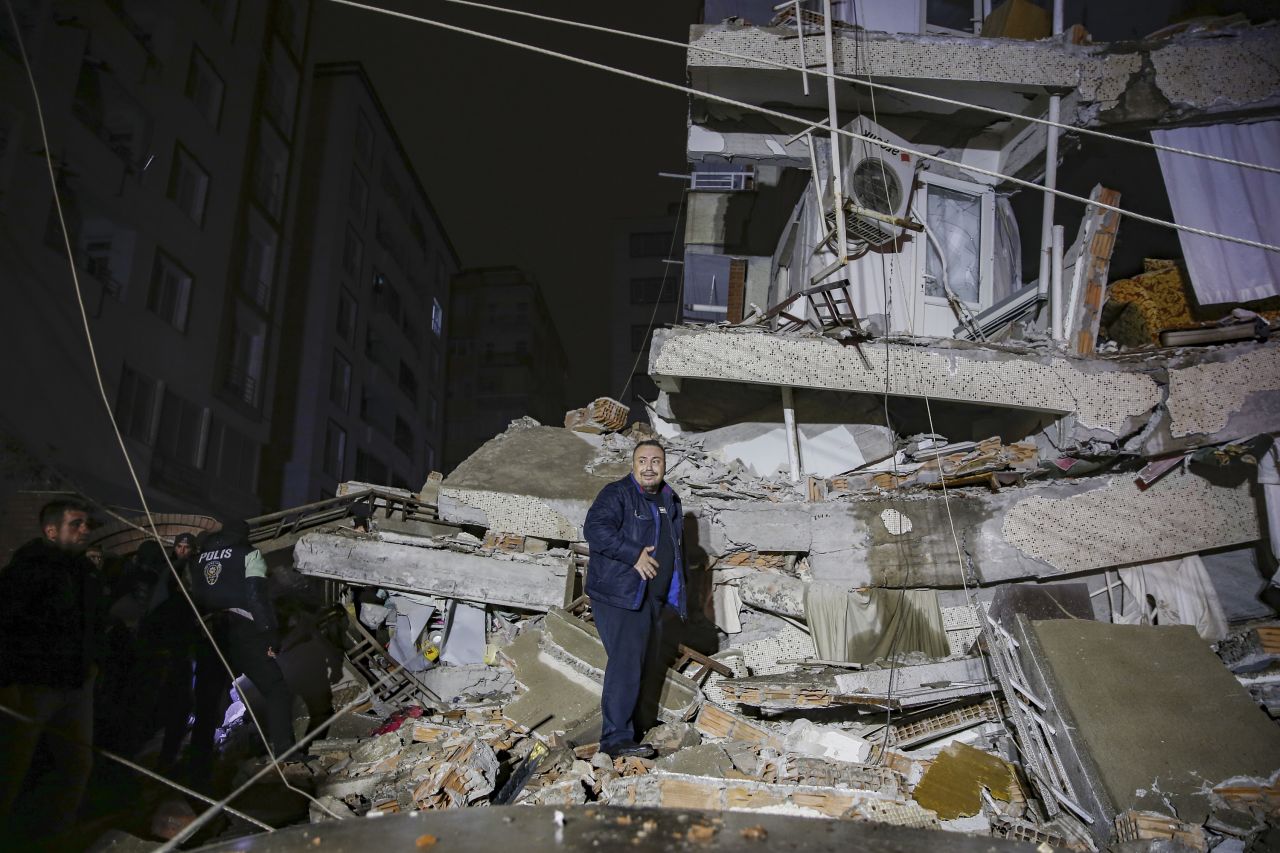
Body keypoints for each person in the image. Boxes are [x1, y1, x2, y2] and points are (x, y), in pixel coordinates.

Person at [0, 499, 102, 838]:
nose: (85, 529)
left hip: (75, 684)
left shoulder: (83, 571)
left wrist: (92, 664)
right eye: (76, 523)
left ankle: (50, 839)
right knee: (12, 765)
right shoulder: (29, 568)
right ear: (51, 530)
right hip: (35, 683)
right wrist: (7, 680)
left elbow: (90, 623)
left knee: (74, 766)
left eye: (87, 523)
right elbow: (8, 624)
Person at [583, 439, 686, 759]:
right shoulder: (617, 494)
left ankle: (633, 730)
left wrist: (677, 593)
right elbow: (594, 529)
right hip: (621, 595)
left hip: (651, 599)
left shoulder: (670, 498)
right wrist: (633, 555)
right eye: (643, 460)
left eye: (656, 460)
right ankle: (615, 741)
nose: (649, 466)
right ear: (633, 464)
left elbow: (676, 549)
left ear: (664, 465)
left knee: (640, 665)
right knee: (625, 666)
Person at [188, 520, 295, 783]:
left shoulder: (199, 559)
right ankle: (286, 753)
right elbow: (256, 594)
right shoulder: (250, 554)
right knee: (276, 688)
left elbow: (194, 596)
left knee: (207, 700)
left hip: (209, 631)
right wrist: (270, 632)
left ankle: (197, 765)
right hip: (241, 629)